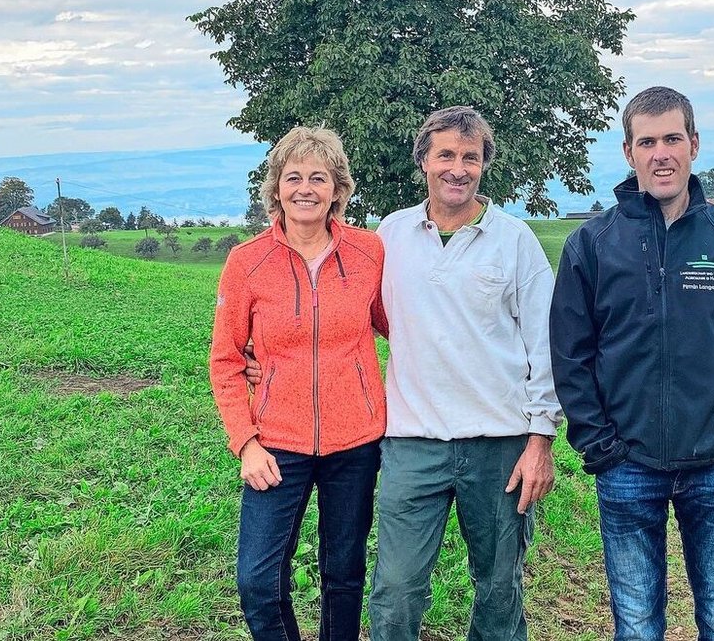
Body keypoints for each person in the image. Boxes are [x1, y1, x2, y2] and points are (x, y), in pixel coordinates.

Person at [549, 86, 714, 641]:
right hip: (626, 465)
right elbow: (570, 355)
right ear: (629, 152)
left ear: (694, 145)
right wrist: (598, 445)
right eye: (648, 141)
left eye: (673, 138)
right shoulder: (593, 243)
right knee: (636, 626)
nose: (662, 153)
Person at [368, 105, 561, 641]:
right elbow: (353, 312)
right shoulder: (391, 234)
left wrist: (541, 437)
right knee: (396, 590)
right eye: (446, 155)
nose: (458, 167)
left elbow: (545, 343)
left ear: (483, 166)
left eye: (470, 157)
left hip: (500, 443)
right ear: (424, 162)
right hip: (412, 441)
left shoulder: (514, 239)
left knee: (500, 588)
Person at [209, 125, 388, 641]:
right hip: (275, 444)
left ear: (338, 189)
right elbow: (225, 360)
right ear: (276, 188)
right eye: (294, 177)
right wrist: (244, 442)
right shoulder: (246, 263)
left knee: (344, 573)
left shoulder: (369, 252)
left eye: (319, 177)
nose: (305, 188)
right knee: (258, 581)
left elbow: (396, 326)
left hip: (355, 442)